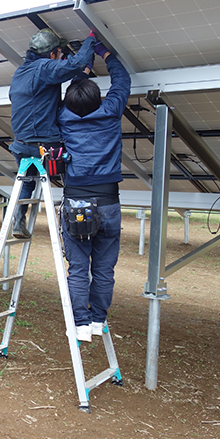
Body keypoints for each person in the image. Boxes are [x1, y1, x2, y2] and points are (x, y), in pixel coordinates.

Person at [58, 45, 131, 342]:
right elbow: (122, 81)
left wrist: (81, 66)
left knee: (78, 268)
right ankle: (98, 320)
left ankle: (81, 325)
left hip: (75, 200)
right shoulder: (111, 111)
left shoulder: (63, 117)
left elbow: (68, 97)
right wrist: (106, 54)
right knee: (104, 268)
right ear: (99, 98)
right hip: (109, 201)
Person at [9, 28, 96, 237]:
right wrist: (91, 40)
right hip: (44, 145)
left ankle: (18, 222)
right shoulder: (45, 68)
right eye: (58, 52)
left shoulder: (21, 71)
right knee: (73, 172)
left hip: (21, 143)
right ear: (51, 55)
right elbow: (75, 66)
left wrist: (64, 62)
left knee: (27, 182)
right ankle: (77, 220)